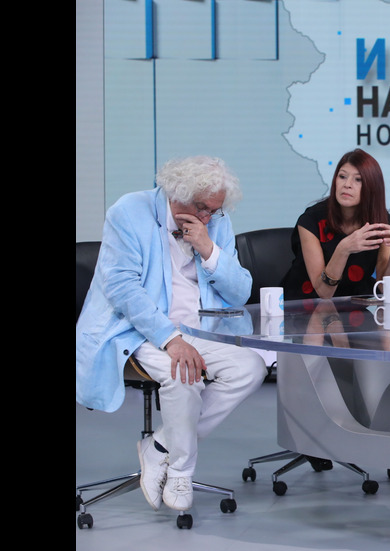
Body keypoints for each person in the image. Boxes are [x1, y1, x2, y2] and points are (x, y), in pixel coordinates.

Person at [75, 156, 267, 512]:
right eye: (202, 208)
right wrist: (170, 339)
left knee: (251, 368)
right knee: (183, 375)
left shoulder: (215, 223)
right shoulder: (128, 212)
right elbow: (122, 289)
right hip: (135, 329)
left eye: (215, 210)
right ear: (177, 194)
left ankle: (160, 446)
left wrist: (208, 249)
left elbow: (240, 292)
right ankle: (180, 471)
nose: (208, 217)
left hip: (198, 330)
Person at [281, 149, 390, 300]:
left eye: (358, 180)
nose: (347, 184)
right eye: (342, 176)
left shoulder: (380, 222)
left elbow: (386, 288)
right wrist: (344, 249)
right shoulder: (311, 220)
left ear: (372, 186)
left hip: (353, 306)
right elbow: (324, 292)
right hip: (304, 305)